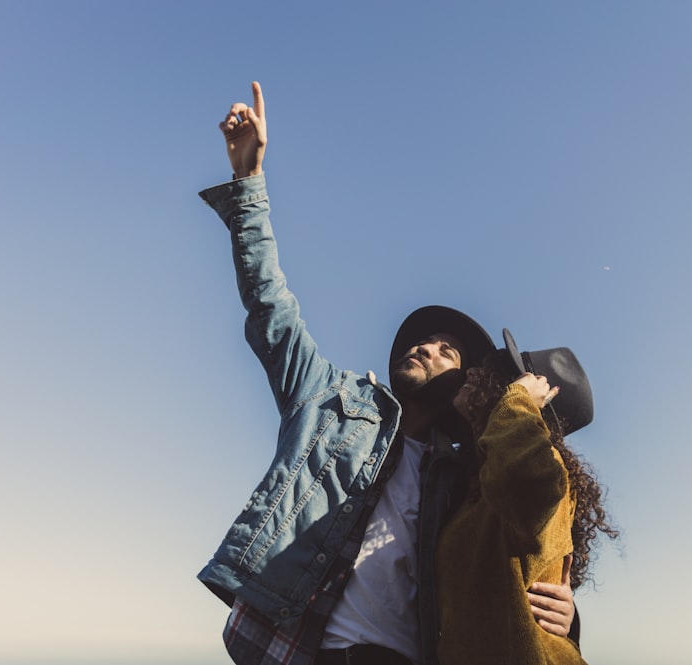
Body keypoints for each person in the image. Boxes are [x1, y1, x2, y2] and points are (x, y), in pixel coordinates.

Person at [196, 81, 577, 665]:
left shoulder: (465, 477)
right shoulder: (330, 401)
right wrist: (249, 182)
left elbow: (511, 560)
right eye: (422, 339)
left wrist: (571, 619)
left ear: (466, 386)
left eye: (447, 349)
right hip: (299, 649)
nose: (426, 346)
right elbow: (270, 304)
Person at [436, 329, 619, 665]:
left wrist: (518, 397)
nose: (473, 371)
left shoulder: (542, 465)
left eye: (499, 373)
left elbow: (530, 481)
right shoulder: (475, 480)